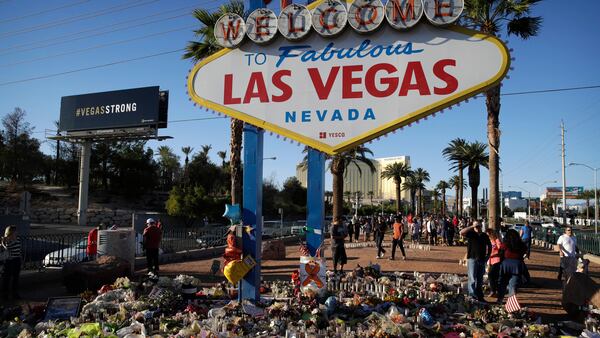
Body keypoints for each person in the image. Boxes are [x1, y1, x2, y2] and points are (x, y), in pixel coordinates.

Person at [460, 221, 492, 301]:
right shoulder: (471, 234)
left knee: (480, 279)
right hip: (472, 259)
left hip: (482, 259)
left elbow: (490, 246)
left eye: (479, 226)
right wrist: (472, 226)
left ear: (481, 226)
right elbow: (461, 232)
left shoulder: (484, 235)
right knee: (472, 278)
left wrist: (487, 256)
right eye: (476, 226)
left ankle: (480, 296)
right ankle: (472, 296)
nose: (477, 228)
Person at [497, 229, 528, 302]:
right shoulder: (521, 244)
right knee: (513, 285)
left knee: (502, 283)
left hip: (505, 265)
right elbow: (524, 252)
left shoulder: (505, 244)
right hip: (517, 265)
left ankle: (500, 299)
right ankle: (511, 301)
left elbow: (500, 253)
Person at [1, 226, 21, 300]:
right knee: (7, 278)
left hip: (17, 260)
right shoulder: (6, 240)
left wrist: (20, 258)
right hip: (9, 261)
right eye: (15, 231)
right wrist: (3, 242)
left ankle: (15, 294)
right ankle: (5, 295)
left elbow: (19, 249)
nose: (17, 232)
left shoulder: (18, 239)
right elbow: (6, 248)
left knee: (16, 278)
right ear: (11, 231)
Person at [486, 229, 503, 298]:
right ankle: (496, 291)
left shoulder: (496, 240)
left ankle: (493, 291)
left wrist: (494, 254)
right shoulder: (488, 242)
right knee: (494, 277)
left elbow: (500, 250)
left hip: (497, 260)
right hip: (490, 261)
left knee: (490, 275)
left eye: (488, 234)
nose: (486, 235)